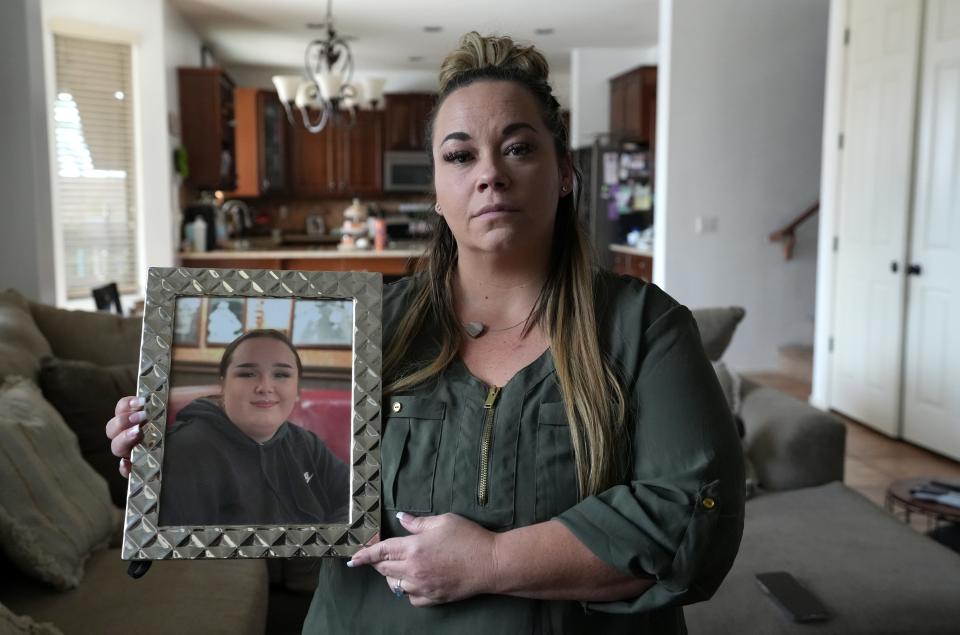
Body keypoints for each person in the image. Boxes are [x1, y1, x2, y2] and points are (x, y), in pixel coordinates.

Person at [108, 32, 744, 633]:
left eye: (519, 147)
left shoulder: (646, 327)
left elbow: (694, 520)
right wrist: (171, 460)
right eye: (460, 155)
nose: (489, 173)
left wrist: (491, 560)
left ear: (565, 172)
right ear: (438, 191)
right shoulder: (370, 324)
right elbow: (289, 486)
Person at [155, 329, 350, 526]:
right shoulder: (182, 452)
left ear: (297, 389)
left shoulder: (308, 444)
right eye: (247, 374)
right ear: (223, 385)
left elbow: (357, 500)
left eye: (281, 374)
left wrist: (333, 544)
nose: (265, 387)